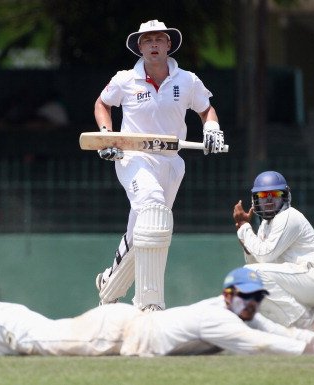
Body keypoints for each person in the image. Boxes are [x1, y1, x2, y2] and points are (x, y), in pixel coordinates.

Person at [0, 267, 314, 356]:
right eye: (247, 296)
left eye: (256, 297)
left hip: (123, 329)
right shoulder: (221, 317)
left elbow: (271, 327)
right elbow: (257, 343)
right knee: (28, 340)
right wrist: (310, 354)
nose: (253, 304)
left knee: (39, 327)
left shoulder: (236, 311)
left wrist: (313, 339)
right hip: (113, 336)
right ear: (231, 294)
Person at [92, 20, 226, 312]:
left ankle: (110, 283)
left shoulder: (187, 80)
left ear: (168, 44)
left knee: (152, 227)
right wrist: (107, 134)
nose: (153, 44)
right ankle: (149, 302)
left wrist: (212, 128)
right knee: (151, 206)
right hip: (134, 156)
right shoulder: (124, 79)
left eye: (158, 39)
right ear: (139, 47)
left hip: (171, 160)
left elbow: (206, 109)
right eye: (147, 40)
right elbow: (102, 104)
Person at [232, 171, 314, 330]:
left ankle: (305, 317)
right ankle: (304, 320)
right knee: (250, 286)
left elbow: (264, 257)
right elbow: (257, 262)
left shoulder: (288, 216)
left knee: (250, 274)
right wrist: (244, 239)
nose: (268, 199)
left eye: (274, 194)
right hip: (304, 280)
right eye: (263, 194)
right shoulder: (265, 225)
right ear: (256, 199)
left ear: (284, 196)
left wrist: (244, 228)